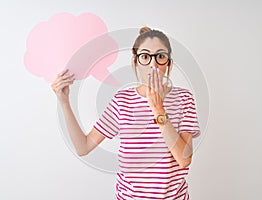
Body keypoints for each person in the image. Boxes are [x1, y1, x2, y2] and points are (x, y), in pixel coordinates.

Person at [52, 26, 201, 200]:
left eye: (160, 56)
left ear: (168, 62)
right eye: (145, 56)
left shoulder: (184, 99)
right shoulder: (122, 101)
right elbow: (83, 147)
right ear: (136, 61)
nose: (153, 64)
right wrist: (64, 102)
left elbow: (184, 160)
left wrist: (158, 110)